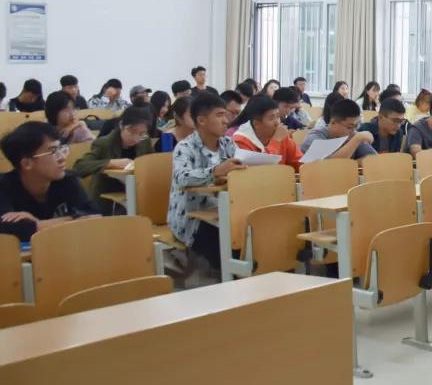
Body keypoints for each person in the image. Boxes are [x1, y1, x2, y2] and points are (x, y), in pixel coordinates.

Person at [168, 93, 244, 269]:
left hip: (224, 211)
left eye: (225, 115)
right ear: (201, 120)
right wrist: (214, 172)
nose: (226, 121)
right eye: (219, 115)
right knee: (228, 250)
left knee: (250, 239)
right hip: (191, 218)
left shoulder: (227, 144)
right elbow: (182, 177)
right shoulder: (185, 147)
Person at [0, 122, 98, 241]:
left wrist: (37, 224)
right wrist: (72, 220)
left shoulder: (68, 180)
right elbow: (6, 228)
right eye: (53, 151)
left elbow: (93, 217)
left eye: (61, 149)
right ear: (27, 163)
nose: (62, 158)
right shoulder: (4, 186)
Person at [73, 106, 156, 213]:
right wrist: (110, 163)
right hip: (108, 199)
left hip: (137, 194)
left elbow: (152, 164)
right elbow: (79, 167)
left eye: (141, 133)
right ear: (121, 125)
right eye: (132, 131)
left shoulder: (144, 141)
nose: (136, 138)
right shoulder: (104, 143)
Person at [231, 95, 304, 170]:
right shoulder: (240, 141)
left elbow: (300, 162)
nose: (277, 122)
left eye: (278, 116)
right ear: (256, 124)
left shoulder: (281, 135)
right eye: (271, 118)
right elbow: (264, 171)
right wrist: (276, 141)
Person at [299, 99, 375, 160]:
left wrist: (353, 164)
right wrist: (356, 140)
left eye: (355, 126)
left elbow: (373, 158)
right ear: (333, 122)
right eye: (349, 127)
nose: (353, 131)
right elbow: (329, 165)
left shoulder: (353, 134)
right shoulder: (315, 136)